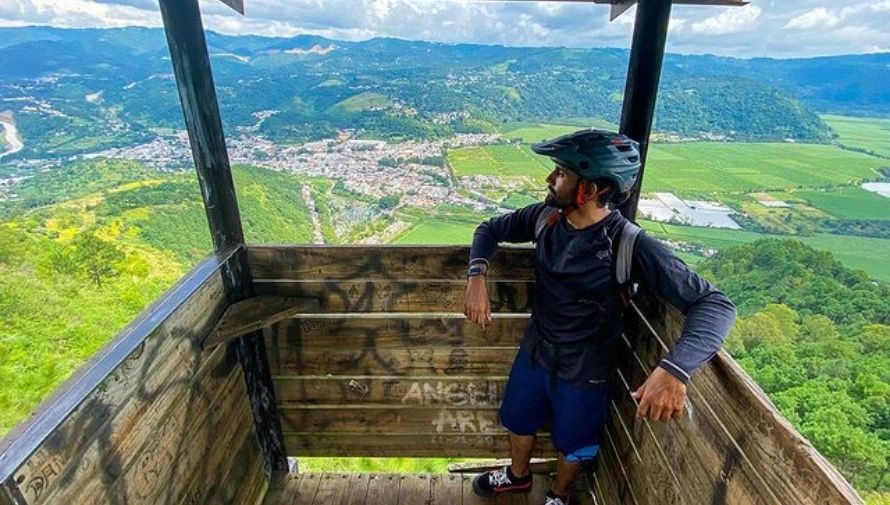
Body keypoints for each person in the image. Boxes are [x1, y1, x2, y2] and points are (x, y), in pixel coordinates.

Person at [463, 130, 736, 505]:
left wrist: (676, 369)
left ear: (589, 189)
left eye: (561, 172)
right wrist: (477, 276)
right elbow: (490, 229)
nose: (549, 178)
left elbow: (714, 304)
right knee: (517, 417)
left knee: (574, 440)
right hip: (537, 350)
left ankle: (558, 495)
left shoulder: (629, 243)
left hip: (587, 367)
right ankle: (517, 476)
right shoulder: (545, 218)